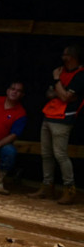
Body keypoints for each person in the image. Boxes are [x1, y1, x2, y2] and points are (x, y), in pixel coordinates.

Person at [37, 44, 83, 205]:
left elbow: (65, 98)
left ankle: (69, 190)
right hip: (48, 114)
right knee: (46, 154)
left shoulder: (80, 75)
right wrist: (61, 91)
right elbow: (50, 93)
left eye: (64, 54)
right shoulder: (61, 70)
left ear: (71, 57)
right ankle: (47, 187)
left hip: (63, 118)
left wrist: (57, 82)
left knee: (60, 155)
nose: (62, 57)